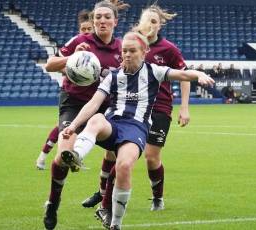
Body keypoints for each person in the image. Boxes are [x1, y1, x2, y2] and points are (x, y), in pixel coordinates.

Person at [61, 31, 214, 230]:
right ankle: (76, 155)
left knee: (124, 166)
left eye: (132, 51)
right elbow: (93, 103)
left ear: (144, 52)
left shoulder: (154, 71)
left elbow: (182, 74)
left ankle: (115, 223)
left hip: (136, 129)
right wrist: (72, 127)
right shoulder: (112, 76)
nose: (127, 54)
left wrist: (199, 74)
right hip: (113, 125)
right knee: (97, 117)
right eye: (124, 50)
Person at [81, 4, 192, 218]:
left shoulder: (168, 49)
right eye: (146, 20)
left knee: (151, 157)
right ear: (139, 22)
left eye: (154, 21)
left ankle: (157, 196)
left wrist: (184, 107)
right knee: (112, 152)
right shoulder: (130, 43)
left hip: (158, 107)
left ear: (160, 25)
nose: (150, 25)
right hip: (126, 106)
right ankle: (103, 195)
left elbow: (184, 75)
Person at [41, 1, 128, 229]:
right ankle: (53, 202)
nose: (101, 21)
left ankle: (105, 205)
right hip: (74, 103)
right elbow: (50, 64)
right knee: (64, 155)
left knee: (120, 155)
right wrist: (71, 59)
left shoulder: (121, 48)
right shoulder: (80, 41)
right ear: (92, 21)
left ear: (115, 22)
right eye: (97, 17)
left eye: (106, 17)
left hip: (105, 108)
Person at [36, 9, 94, 170]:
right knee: (64, 127)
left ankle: (78, 157)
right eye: (84, 29)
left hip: (94, 98)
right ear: (79, 30)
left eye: (90, 28)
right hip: (73, 95)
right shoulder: (76, 42)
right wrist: (74, 68)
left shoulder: (100, 44)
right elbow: (57, 65)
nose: (87, 32)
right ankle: (43, 156)